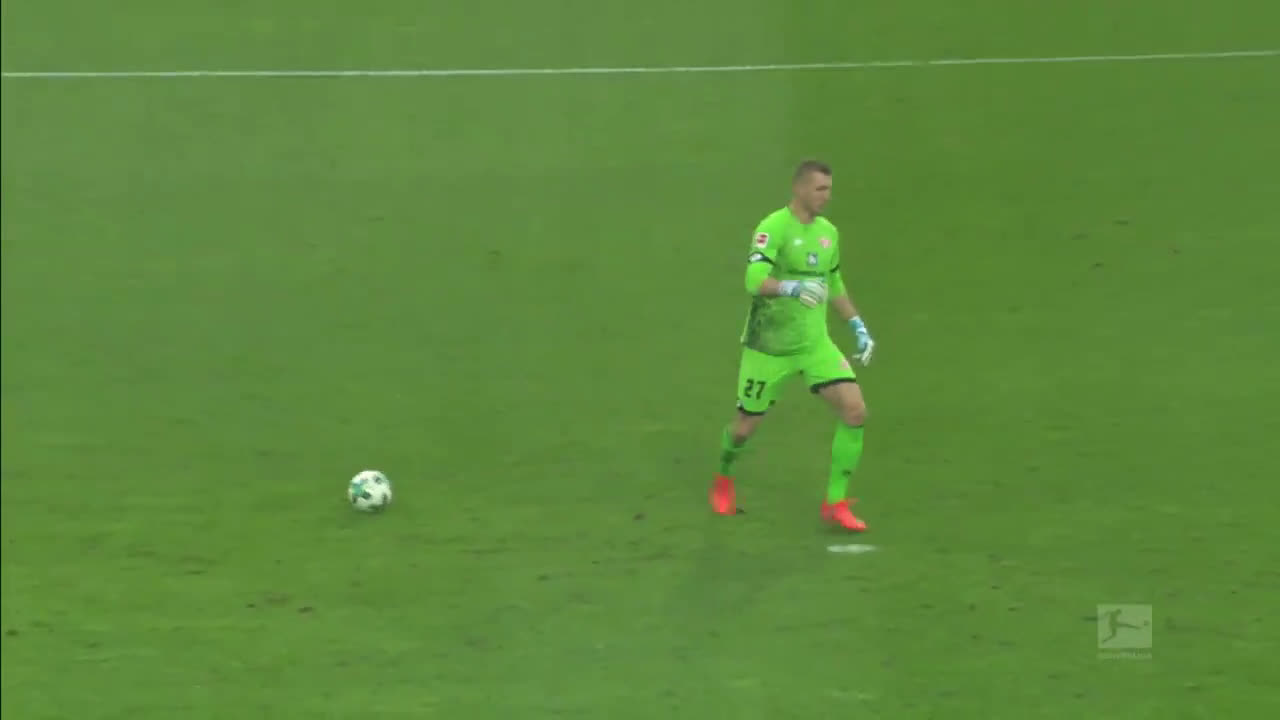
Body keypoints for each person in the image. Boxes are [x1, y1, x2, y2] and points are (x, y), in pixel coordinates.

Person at [711, 160, 876, 531]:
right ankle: (724, 475)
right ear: (799, 188)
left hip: (814, 345)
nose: (826, 197)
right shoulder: (773, 228)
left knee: (855, 411)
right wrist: (791, 287)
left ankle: (835, 502)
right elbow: (754, 280)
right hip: (769, 347)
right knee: (743, 429)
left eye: (829, 189)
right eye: (820, 189)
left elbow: (833, 283)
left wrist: (857, 325)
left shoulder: (828, 233)